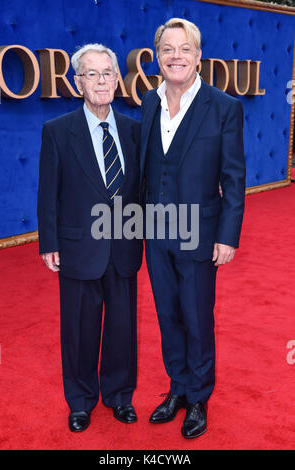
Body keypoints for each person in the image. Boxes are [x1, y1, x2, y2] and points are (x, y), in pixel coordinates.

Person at [140, 18, 246, 439]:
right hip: (154, 233)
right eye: (168, 49)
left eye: (185, 49)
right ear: (158, 58)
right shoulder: (148, 102)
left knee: (198, 318)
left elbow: (234, 178)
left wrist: (227, 234)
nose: (176, 56)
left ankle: (199, 398)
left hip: (201, 234)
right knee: (168, 317)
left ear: (199, 56)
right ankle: (178, 388)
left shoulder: (223, 107)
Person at [37, 43, 143, 432]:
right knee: (78, 329)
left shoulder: (135, 131)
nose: (101, 81)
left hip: (125, 246)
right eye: (92, 74)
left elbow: (145, 190)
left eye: (108, 73)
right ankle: (80, 400)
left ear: (118, 79)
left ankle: (120, 395)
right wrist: (48, 241)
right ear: (78, 81)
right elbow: (48, 191)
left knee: (122, 326)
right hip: (78, 246)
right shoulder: (57, 132)